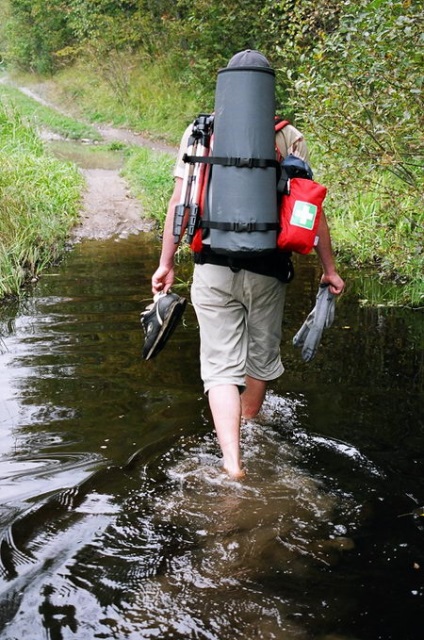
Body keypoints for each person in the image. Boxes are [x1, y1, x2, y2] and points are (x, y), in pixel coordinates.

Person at [151, 50, 345, 479]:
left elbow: (179, 202)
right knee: (258, 361)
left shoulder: (199, 132)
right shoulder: (290, 136)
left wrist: (166, 263)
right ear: (267, 91)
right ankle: (252, 428)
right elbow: (308, 210)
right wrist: (329, 269)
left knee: (220, 368)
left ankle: (231, 463)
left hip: (212, 266)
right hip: (268, 270)